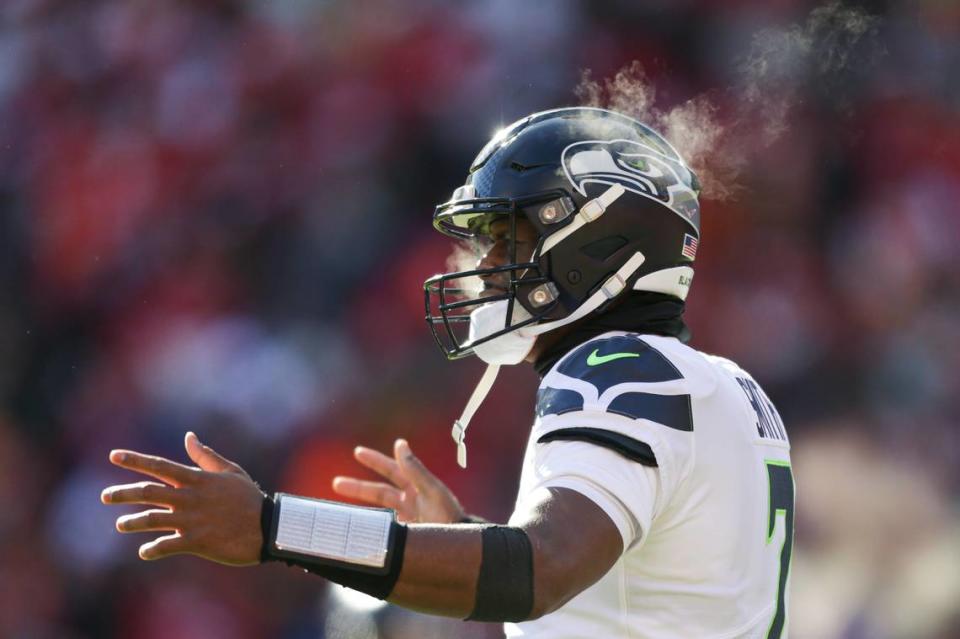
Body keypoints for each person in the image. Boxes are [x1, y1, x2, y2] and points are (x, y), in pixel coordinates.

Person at [102, 108, 794, 638]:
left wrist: (272, 525)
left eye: (508, 240)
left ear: (596, 239)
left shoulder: (617, 370)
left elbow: (539, 569)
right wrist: (462, 534)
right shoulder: (730, 385)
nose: (485, 268)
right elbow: (635, 593)